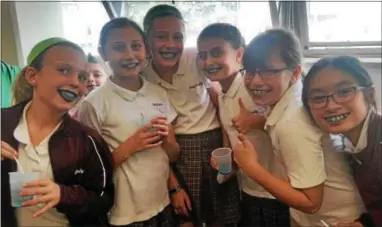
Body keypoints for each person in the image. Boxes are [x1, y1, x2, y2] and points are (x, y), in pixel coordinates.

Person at [232, 28, 366, 226]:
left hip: (337, 220)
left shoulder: (291, 123)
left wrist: (251, 168)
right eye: (250, 71)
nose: (255, 81)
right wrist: (260, 123)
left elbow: (311, 202)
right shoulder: (295, 97)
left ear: (294, 72)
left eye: (268, 71)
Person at [143, 5, 241, 227]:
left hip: (213, 141)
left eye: (178, 37)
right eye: (161, 36)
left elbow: (220, 103)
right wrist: (174, 185)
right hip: (172, 149)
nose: (170, 44)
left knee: (223, 216)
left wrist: (228, 149)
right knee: (185, 217)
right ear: (146, 39)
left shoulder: (196, 58)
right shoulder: (141, 73)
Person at [1, 37, 114, 227]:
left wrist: (64, 195)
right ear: (32, 76)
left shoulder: (86, 140)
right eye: (63, 70)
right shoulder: (3, 125)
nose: (75, 82)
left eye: (82, 77)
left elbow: (103, 199)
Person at [77, 18, 180, 227]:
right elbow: (91, 171)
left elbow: (172, 155)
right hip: (125, 212)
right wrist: (131, 146)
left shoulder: (158, 93)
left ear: (146, 50)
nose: (129, 55)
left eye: (136, 46)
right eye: (118, 48)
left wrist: (169, 140)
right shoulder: (93, 104)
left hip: (162, 201)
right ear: (103, 52)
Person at [197, 23, 289, 227]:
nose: (208, 61)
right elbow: (231, 133)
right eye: (202, 55)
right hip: (248, 188)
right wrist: (229, 164)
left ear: (239, 55)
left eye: (216, 52)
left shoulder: (253, 88)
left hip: (274, 191)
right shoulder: (222, 94)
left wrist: (257, 121)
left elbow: (288, 117)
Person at [301, 56, 381, 227]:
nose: (331, 106)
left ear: (369, 94)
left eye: (344, 92)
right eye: (318, 98)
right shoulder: (351, 142)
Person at [69, 53, 108, 119]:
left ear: (108, 77)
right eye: (84, 76)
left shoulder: (112, 104)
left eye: (97, 75)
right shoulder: (71, 107)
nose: (90, 79)